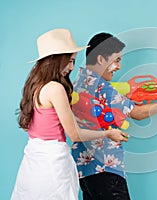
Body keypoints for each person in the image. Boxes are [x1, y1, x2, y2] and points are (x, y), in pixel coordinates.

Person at [11, 29, 128, 200]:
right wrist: (108, 133)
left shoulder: (35, 86)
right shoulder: (56, 89)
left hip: (33, 163)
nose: (72, 67)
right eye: (70, 61)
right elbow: (75, 134)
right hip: (53, 164)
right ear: (56, 59)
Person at [71, 32, 157, 200]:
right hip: (106, 168)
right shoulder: (103, 87)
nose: (119, 66)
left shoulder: (78, 82)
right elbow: (138, 114)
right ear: (100, 59)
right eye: (117, 60)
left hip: (84, 170)